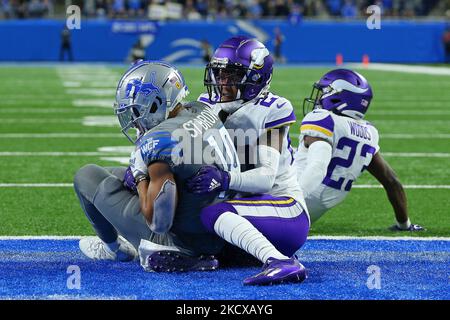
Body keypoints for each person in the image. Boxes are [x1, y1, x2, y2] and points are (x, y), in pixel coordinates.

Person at [74, 60, 241, 271]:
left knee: (86, 176)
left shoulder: (160, 140)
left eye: (136, 111)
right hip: (223, 225)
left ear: (156, 104)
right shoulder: (201, 109)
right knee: (108, 174)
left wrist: (140, 177)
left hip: (185, 238)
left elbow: (159, 221)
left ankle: (115, 249)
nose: (134, 120)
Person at [187, 36, 310, 285]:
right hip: (241, 209)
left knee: (214, 212)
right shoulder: (206, 104)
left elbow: (265, 178)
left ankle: (280, 261)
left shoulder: (273, 108)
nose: (221, 82)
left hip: (285, 209)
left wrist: (224, 178)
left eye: (230, 75)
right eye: (218, 73)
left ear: (255, 77)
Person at [294, 68, 425, 231]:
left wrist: (291, 202)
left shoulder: (323, 119)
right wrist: (405, 224)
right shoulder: (369, 133)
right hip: (306, 218)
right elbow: (392, 181)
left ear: (337, 96)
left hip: (286, 203)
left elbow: (316, 167)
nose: (319, 97)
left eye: (324, 92)